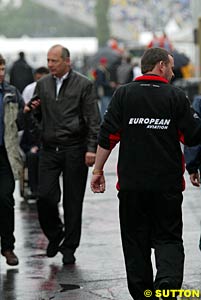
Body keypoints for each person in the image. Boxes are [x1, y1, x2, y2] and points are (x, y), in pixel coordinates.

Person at [90, 47, 201, 300]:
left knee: (135, 243)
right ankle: (167, 286)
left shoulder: (123, 94)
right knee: (169, 239)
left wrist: (97, 170)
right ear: (161, 66)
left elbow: (108, 136)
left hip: (132, 186)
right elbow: (193, 135)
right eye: (171, 67)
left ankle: (144, 295)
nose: (173, 73)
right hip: (167, 186)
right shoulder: (176, 96)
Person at [24, 44, 100, 265]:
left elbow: (93, 119)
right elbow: (34, 114)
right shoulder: (43, 84)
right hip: (49, 149)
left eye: (54, 61)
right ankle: (56, 234)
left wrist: (91, 148)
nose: (49, 65)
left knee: (73, 201)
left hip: (75, 149)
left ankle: (69, 247)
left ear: (67, 61)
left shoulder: (84, 84)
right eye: (48, 61)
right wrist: (35, 123)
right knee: (44, 196)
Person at [0, 54, 25, 266]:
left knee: (6, 200)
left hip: (5, 155)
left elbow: (24, 123)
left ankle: (8, 247)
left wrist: (28, 112)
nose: (0, 74)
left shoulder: (11, 93)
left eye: (2, 69)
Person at [21, 67, 49, 199]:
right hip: (33, 144)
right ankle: (34, 189)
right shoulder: (29, 91)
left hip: (47, 144)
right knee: (32, 156)